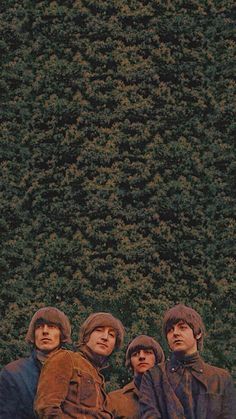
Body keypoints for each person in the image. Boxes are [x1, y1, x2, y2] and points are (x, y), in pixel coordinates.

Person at [140, 303, 236, 419]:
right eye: (170, 330)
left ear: (198, 333)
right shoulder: (153, 376)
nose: (175, 333)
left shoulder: (221, 379)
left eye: (182, 327)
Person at [35, 311, 125, 418]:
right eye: (99, 330)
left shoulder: (98, 377)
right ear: (86, 336)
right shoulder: (66, 358)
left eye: (111, 335)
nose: (105, 337)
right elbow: (47, 407)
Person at [0, 306, 72, 419]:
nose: (45, 331)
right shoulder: (13, 373)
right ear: (33, 334)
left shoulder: (76, 372)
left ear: (61, 333)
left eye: (52, 327)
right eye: (39, 327)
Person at [108, 334, 165, 418]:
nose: (141, 356)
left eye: (148, 352)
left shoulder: (170, 397)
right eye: (135, 354)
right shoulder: (114, 400)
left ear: (157, 359)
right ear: (130, 362)